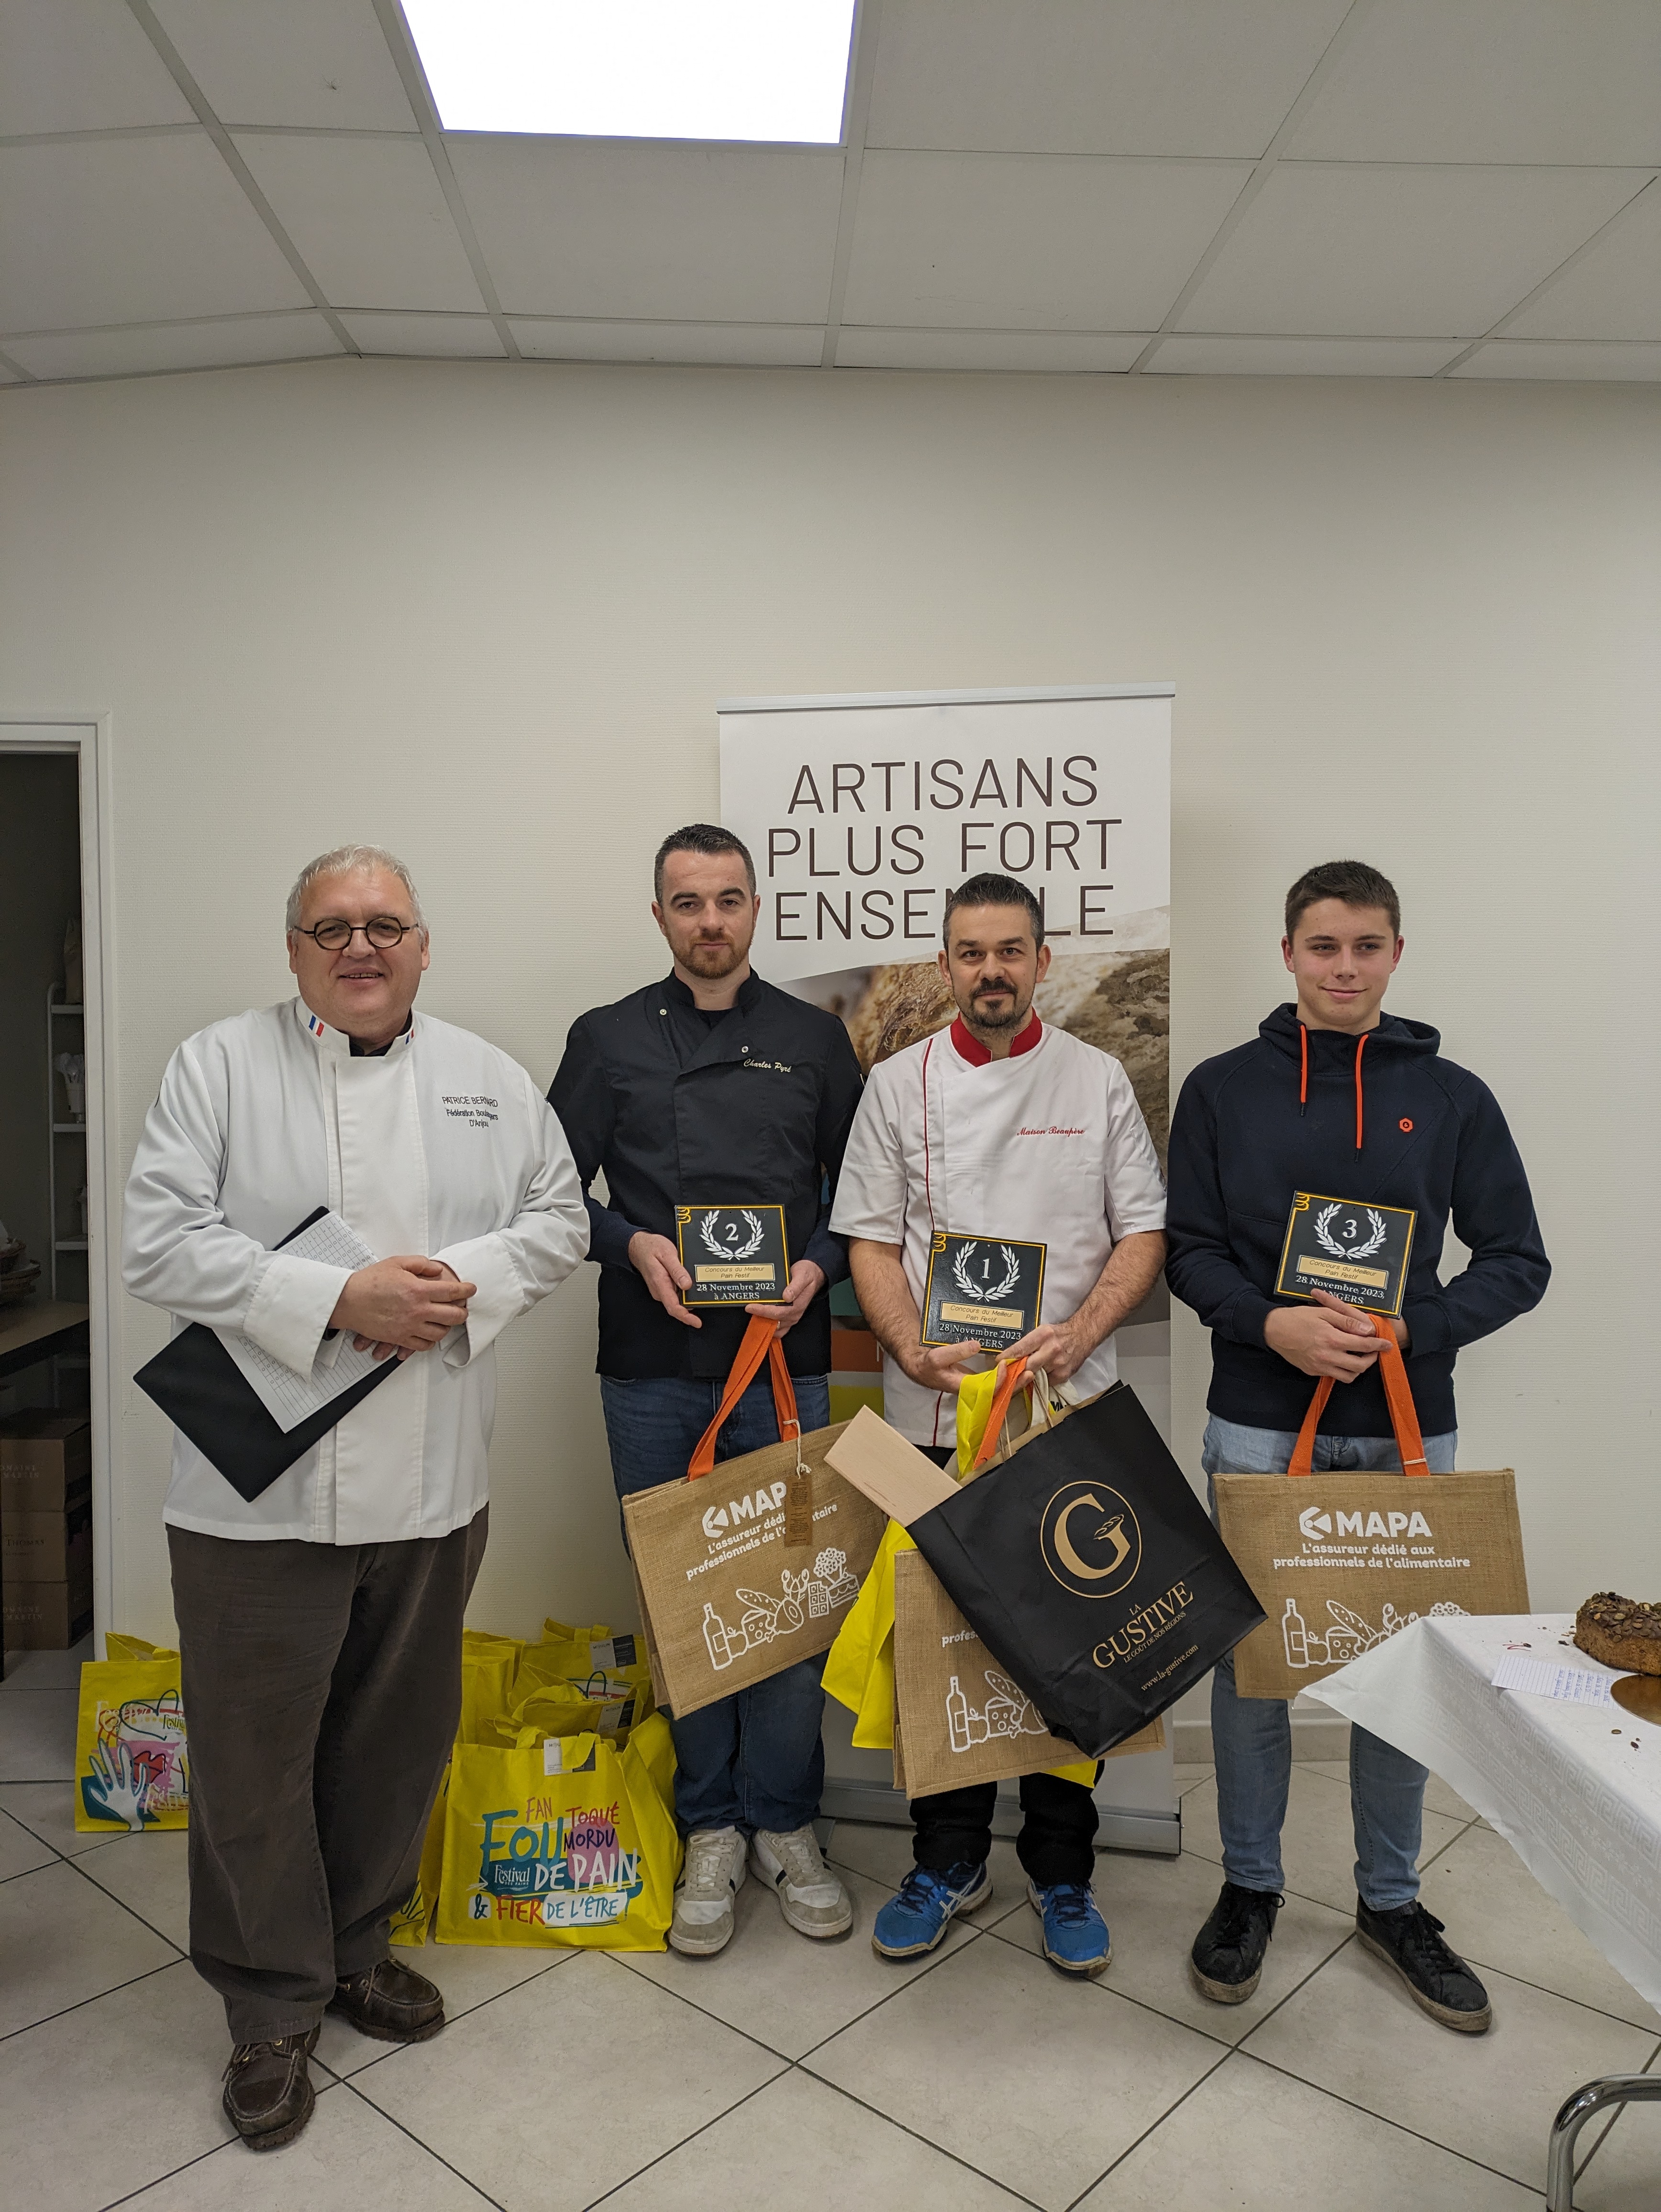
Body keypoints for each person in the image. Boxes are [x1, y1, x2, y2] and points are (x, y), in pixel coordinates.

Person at [123, 844, 588, 2151]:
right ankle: (268, 2005)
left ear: (423, 945)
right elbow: (157, 1239)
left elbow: (560, 1220)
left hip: (434, 1480)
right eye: (331, 927)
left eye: (385, 924)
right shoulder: (217, 1066)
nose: (360, 946)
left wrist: (440, 1286)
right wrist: (338, 1296)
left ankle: (354, 1948)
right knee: (253, 1760)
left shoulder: (490, 1078)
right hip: (254, 1496)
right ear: (294, 951)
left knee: (396, 1738)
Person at [1166, 858, 1550, 2034]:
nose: (1343, 966)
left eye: (1365, 945)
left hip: (1402, 1428)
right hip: (1254, 1421)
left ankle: (1390, 1899)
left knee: (1400, 1670)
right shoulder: (1220, 1090)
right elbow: (1188, 1250)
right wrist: (1268, 1321)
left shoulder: (1451, 1097)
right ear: (1286, 951)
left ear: (1394, 953)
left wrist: (1410, 1330)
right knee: (1253, 1668)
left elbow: (1515, 1260)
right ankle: (1249, 1884)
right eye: (1322, 945)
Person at [832, 872, 1167, 1975]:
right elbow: (868, 1239)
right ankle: (947, 1858)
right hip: (936, 1410)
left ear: (1039, 960)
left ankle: (1062, 1870)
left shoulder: (1095, 1076)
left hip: (1063, 1408)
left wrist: (1080, 1331)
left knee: (1075, 1646)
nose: (989, 971)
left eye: (1009, 950)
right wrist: (904, 1344)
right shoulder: (896, 1085)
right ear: (945, 965)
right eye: (970, 952)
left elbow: (1142, 1232)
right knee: (944, 1643)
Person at [548, 823, 864, 1957]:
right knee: (683, 1600)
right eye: (687, 902)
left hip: (783, 1361)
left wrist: (818, 1264)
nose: (710, 920)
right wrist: (628, 1242)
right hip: (651, 1365)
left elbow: (860, 1187)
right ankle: (711, 1825)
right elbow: (547, 1188)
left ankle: (784, 1818)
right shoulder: (605, 1037)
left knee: (784, 1599)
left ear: (754, 907)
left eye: (728, 898)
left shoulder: (813, 1039)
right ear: (659, 916)